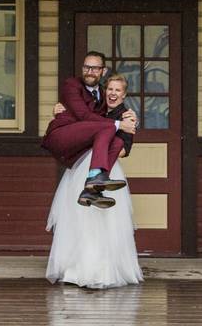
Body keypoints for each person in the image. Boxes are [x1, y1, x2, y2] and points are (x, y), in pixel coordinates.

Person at [45, 73, 143, 289]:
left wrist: (108, 146)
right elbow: (78, 118)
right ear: (104, 91)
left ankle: (102, 270)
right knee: (79, 220)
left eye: (118, 90)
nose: (113, 94)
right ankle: (76, 268)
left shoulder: (126, 116)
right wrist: (58, 111)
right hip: (82, 167)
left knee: (104, 223)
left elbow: (125, 149)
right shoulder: (95, 108)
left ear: (124, 94)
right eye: (110, 89)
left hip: (106, 168)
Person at [41, 51, 138, 208]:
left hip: (83, 148)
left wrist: (132, 119)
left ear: (103, 71)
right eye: (86, 67)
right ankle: (94, 177)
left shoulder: (102, 94)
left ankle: (91, 191)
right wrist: (119, 125)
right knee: (108, 127)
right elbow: (84, 115)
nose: (89, 72)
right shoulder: (72, 85)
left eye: (94, 68)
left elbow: (115, 124)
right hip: (62, 135)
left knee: (118, 140)